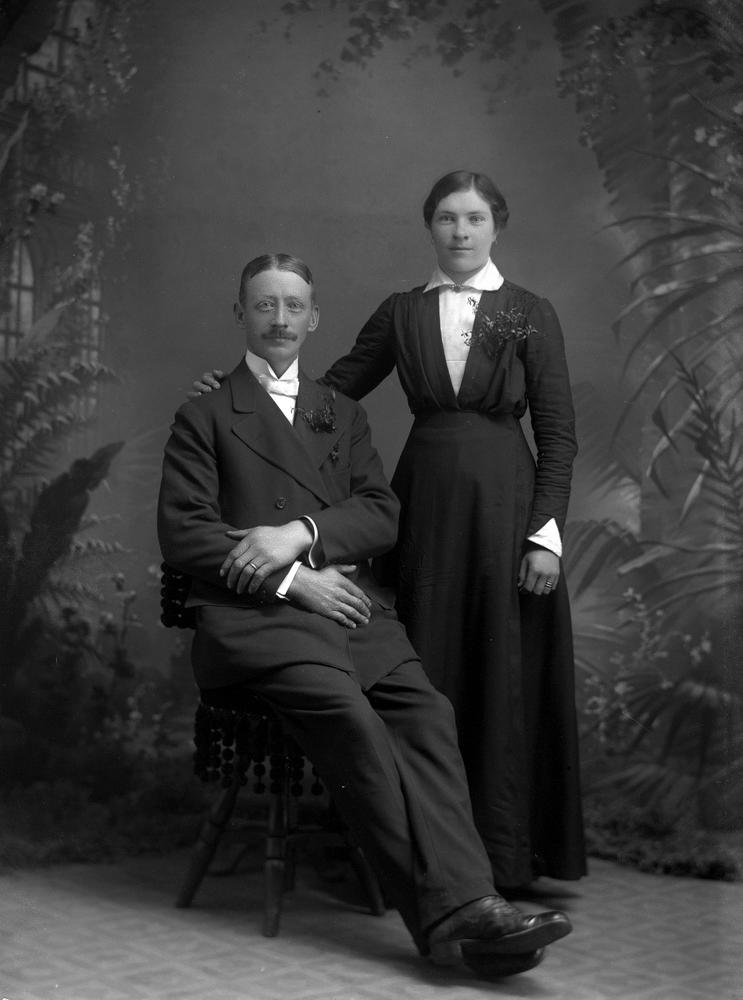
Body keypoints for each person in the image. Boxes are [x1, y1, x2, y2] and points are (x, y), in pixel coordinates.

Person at [160, 253, 574, 981]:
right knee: (350, 718)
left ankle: (473, 903)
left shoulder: (337, 411)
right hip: (253, 620)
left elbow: (381, 513)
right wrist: (294, 581)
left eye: (293, 306)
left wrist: (301, 535)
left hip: (348, 613)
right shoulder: (205, 412)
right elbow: (185, 535)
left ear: (314, 318)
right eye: (264, 305)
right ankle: (456, 915)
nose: (279, 320)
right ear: (241, 315)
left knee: (427, 712)